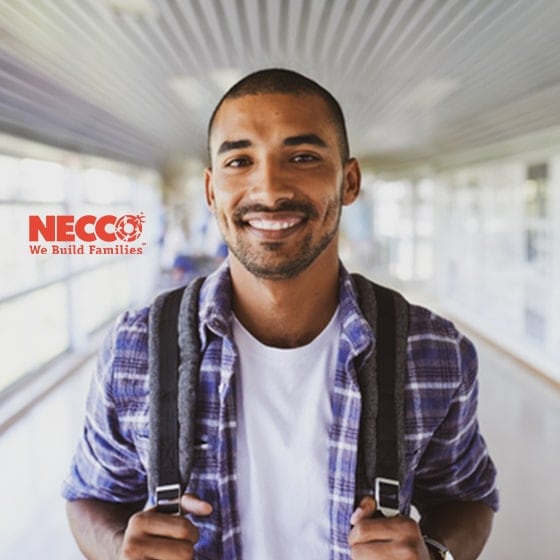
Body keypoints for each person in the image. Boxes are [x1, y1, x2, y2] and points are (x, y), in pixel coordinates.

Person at [63, 68, 498, 560]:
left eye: (303, 157)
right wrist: (119, 548)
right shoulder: (135, 349)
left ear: (348, 180)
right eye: (239, 160)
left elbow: (466, 497)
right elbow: (90, 496)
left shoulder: (433, 352)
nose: (269, 190)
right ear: (211, 190)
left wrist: (435, 552)